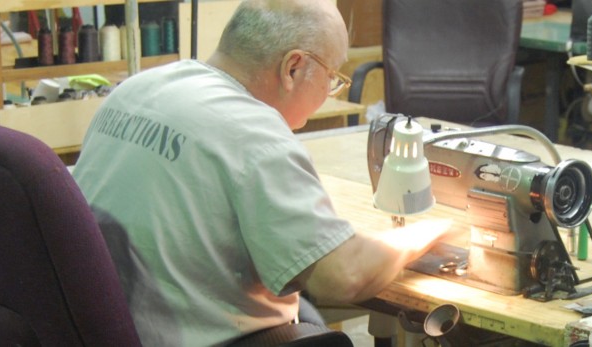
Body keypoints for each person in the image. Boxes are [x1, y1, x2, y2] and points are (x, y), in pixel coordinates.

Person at [72, 0, 453, 345]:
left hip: (108, 327)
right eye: (332, 77)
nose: (329, 91)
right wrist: (432, 230)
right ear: (293, 67)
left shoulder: (137, 90)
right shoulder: (253, 132)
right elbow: (345, 276)